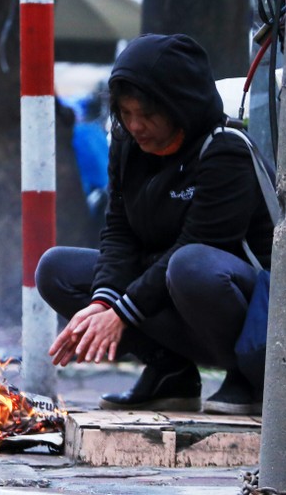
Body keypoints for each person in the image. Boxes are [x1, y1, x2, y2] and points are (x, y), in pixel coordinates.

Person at [35, 33, 273, 415]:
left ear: (181, 106)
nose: (135, 126)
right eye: (126, 114)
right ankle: (170, 371)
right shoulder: (128, 145)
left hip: (231, 302)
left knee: (191, 264)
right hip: (166, 293)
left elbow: (201, 242)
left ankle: (248, 376)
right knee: (56, 269)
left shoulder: (225, 150)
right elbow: (119, 231)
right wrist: (103, 301)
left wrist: (123, 313)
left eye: (147, 114)